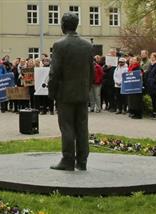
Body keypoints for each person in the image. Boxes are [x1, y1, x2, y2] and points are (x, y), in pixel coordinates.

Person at [47, 13, 93, 171]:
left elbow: (54, 72)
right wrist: (87, 89)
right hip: (82, 92)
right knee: (82, 127)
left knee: (67, 127)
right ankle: (82, 160)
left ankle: (68, 160)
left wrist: (51, 92)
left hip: (65, 94)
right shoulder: (87, 45)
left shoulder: (59, 45)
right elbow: (91, 71)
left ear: (63, 25)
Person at [144, 53, 156, 118]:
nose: (151, 58)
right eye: (151, 57)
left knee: (155, 99)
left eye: (153, 57)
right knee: (152, 99)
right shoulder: (150, 64)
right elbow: (148, 72)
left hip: (155, 84)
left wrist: (153, 81)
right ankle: (154, 111)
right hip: (150, 84)